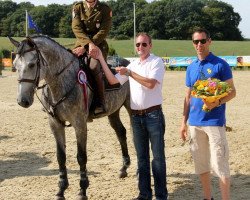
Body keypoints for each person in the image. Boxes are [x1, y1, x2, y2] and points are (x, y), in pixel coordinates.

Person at [93, 32, 168, 200]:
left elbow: (150, 84)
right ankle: (144, 194)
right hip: (136, 118)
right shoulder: (133, 65)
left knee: (157, 159)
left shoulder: (156, 62)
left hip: (153, 115)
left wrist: (129, 73)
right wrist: (101, 59)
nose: (140, 47)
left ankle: (161, 196)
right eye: (137, 45)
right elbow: (113, 81)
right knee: (142, 159)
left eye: (143, 44)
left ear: (150, 45)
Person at [180, 28, 236, 200]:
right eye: (196, 42)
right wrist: (183, 122)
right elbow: (188, 96)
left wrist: (217, 102)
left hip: (214, 122)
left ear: (209, 41)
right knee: (201, 165)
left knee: (220, 165)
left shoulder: (220, 64)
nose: (199, 45)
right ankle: (207, 197)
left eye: (202, 41)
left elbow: (232, 92)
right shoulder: (191, 67)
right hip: (195, 123)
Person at [72, 0, 112, 115]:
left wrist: (88, 46)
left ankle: (100, 102)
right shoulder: (77, 7)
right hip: (80, 44)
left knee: (94, 66)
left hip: (98, 47)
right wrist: (86, 45)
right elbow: (76, 28)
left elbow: (104, 31)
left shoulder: (105, 9)